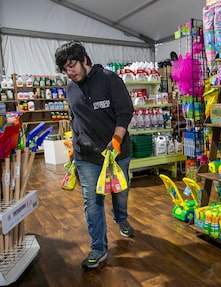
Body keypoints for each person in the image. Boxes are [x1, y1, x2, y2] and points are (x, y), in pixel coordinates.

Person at [54, 41, 135, 269]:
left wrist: (117, 140)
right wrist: (73, 146)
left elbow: (125, 112)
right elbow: (76, 118)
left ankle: (121, 218)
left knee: (121, 193)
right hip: (86, 156)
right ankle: (98, 248)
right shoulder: (70, 88)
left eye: (72, 66)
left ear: (84, 60)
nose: (70, 72)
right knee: (92, 201)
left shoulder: (110, 79)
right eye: (65, 69)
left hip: (117, 154)